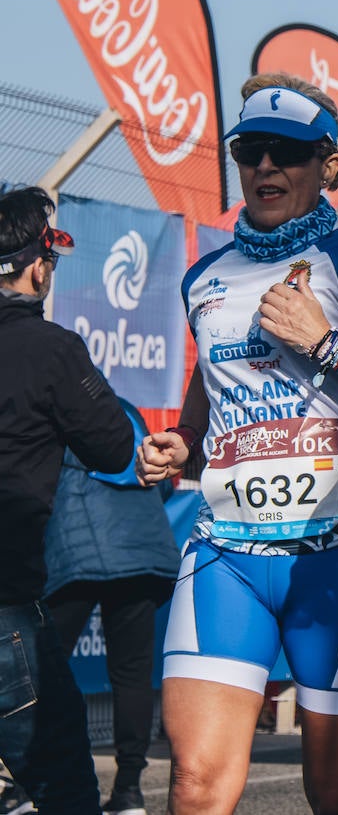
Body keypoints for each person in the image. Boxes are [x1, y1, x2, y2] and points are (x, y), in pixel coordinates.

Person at [137, 73, 338, 815]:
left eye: (291, 153)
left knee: (337, 793)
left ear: (328, 167)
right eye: (252, 151)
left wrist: (329, 343)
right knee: (195, 786)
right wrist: (184, 441)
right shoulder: (204, 278)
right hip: (228, 553)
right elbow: (212, 384)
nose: (268, 168)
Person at [0, 185, 134, 814]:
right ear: (37, 264)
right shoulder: (50, 348)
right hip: (6, 604)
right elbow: (113, 446)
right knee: (64, 786)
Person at [44, 398, 181, 815]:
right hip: (140, 547)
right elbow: (165, 482)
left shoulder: (51, 411)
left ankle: (32, 783)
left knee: (39, 672)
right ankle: (128, 793)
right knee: (132, 676)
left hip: (76, 547)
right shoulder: (128, 411)